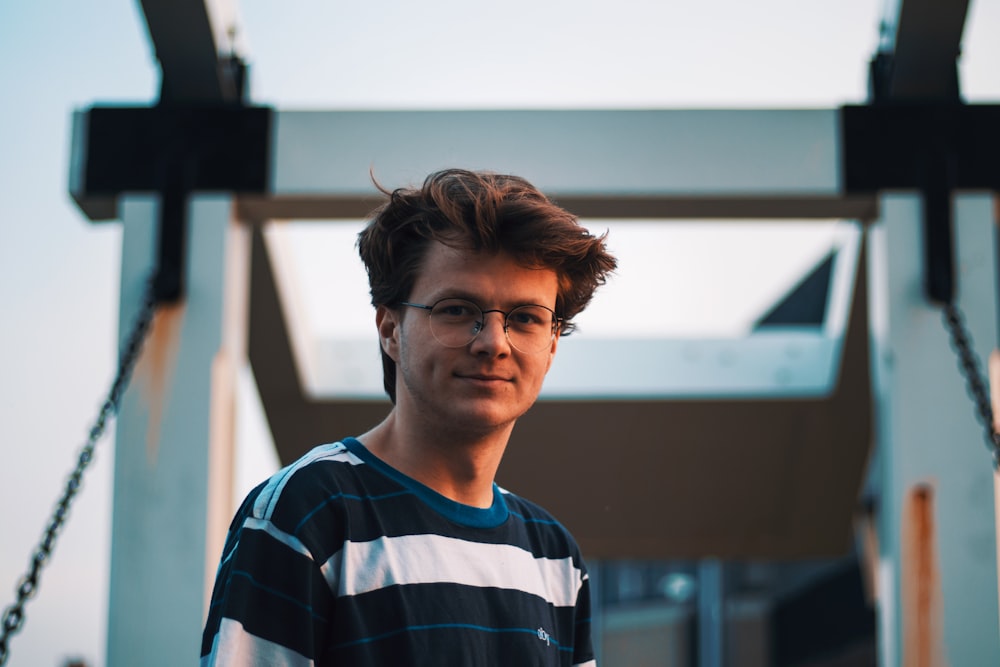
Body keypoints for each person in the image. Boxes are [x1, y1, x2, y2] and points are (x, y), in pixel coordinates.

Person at [200, 168, 617, 666]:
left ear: (551, 343)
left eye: (526, 318)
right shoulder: (310, 514)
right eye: (458, 309)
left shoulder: (555, 557)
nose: (493, 343)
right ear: (390, 328)